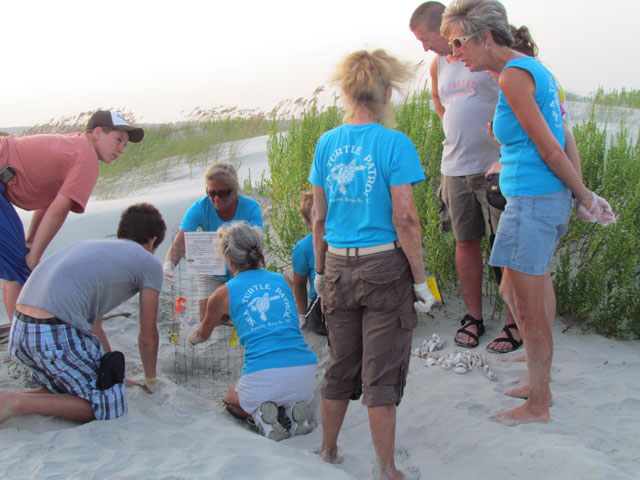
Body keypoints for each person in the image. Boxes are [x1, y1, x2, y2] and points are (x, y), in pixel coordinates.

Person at [441, 0, 615, 425]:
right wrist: (573, 189)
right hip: (537, 196)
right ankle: (540, 382)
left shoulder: (517, 77)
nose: (455, 53)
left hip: (534, 199)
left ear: (485, 37)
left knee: (528, 307)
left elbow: (551, 147)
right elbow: (562, 133)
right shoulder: (532, 70)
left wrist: (584, 195)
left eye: (459, 42)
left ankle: (538, 402)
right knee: (510, 292)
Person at [310, 49, 435, 479]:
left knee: (340, 363)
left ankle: (327, 451)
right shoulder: (394, 143)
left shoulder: (327, 142)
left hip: (339, 265)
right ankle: (386, 468)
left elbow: (319, 217)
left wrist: (320, 270)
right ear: (385, 91)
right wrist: (420, 281)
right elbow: (406, 217)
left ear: (347, 91)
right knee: (380, 372)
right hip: (383, 266)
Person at [410, 2, 519, 352]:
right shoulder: (437, 65)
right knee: (465, 243)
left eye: (425, 38)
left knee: (503, 247)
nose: (425, 47)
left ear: (441, 28)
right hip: (454, 167)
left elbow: (512, 98)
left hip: (494, 167)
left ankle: (513, 323)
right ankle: (473, 318)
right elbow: (439, 103)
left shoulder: (482, 56)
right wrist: (454, 126)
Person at [0, 203, 166, 425]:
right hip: (50, 331)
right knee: (108, 406)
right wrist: (150, 379)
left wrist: (118, 378)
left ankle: (15, 398)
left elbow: (94, 325)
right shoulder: (148, 262)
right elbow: (148, 337)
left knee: (73, 386)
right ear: (153, 241)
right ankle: (15, 403)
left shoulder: (96, 249)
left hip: (20, 331)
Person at [0, 110, 144, 320]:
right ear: (97, 132)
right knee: (20, 267)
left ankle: (18, 333)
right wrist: (33, 257)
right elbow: (59, 211)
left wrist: (31, 242)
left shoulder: (75, 144)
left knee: (14, 262)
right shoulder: (86, 160)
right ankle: (20, 340)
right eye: (118, 140)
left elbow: (49, 201)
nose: (121, 149)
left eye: (125, 144)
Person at [188, 221, 318, 441]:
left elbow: (203, 333)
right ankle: (293, 411)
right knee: (283, 389)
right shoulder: (283, 280)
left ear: (228, 258)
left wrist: (190, 337)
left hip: (263, 374)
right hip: (305, 372)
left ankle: (261, 415)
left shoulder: (222, 294)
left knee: (231, 398)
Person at [163, 162, 263, 320]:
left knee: (249, 311)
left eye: (223, 193)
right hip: (211, 268)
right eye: (211, 193)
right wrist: (169, 264)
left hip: (244, 266)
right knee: (209, 317)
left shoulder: (250, 207)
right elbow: (179, 244)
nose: (216, 199)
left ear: (235, 189)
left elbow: (257, 244)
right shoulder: (200, 208)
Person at [291, 191, 326, 335]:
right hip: (319, 302)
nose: (324, 221)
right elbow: (299, 284)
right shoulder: (303, 248)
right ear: (308, 222)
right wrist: (301, 315)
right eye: (317, 218)